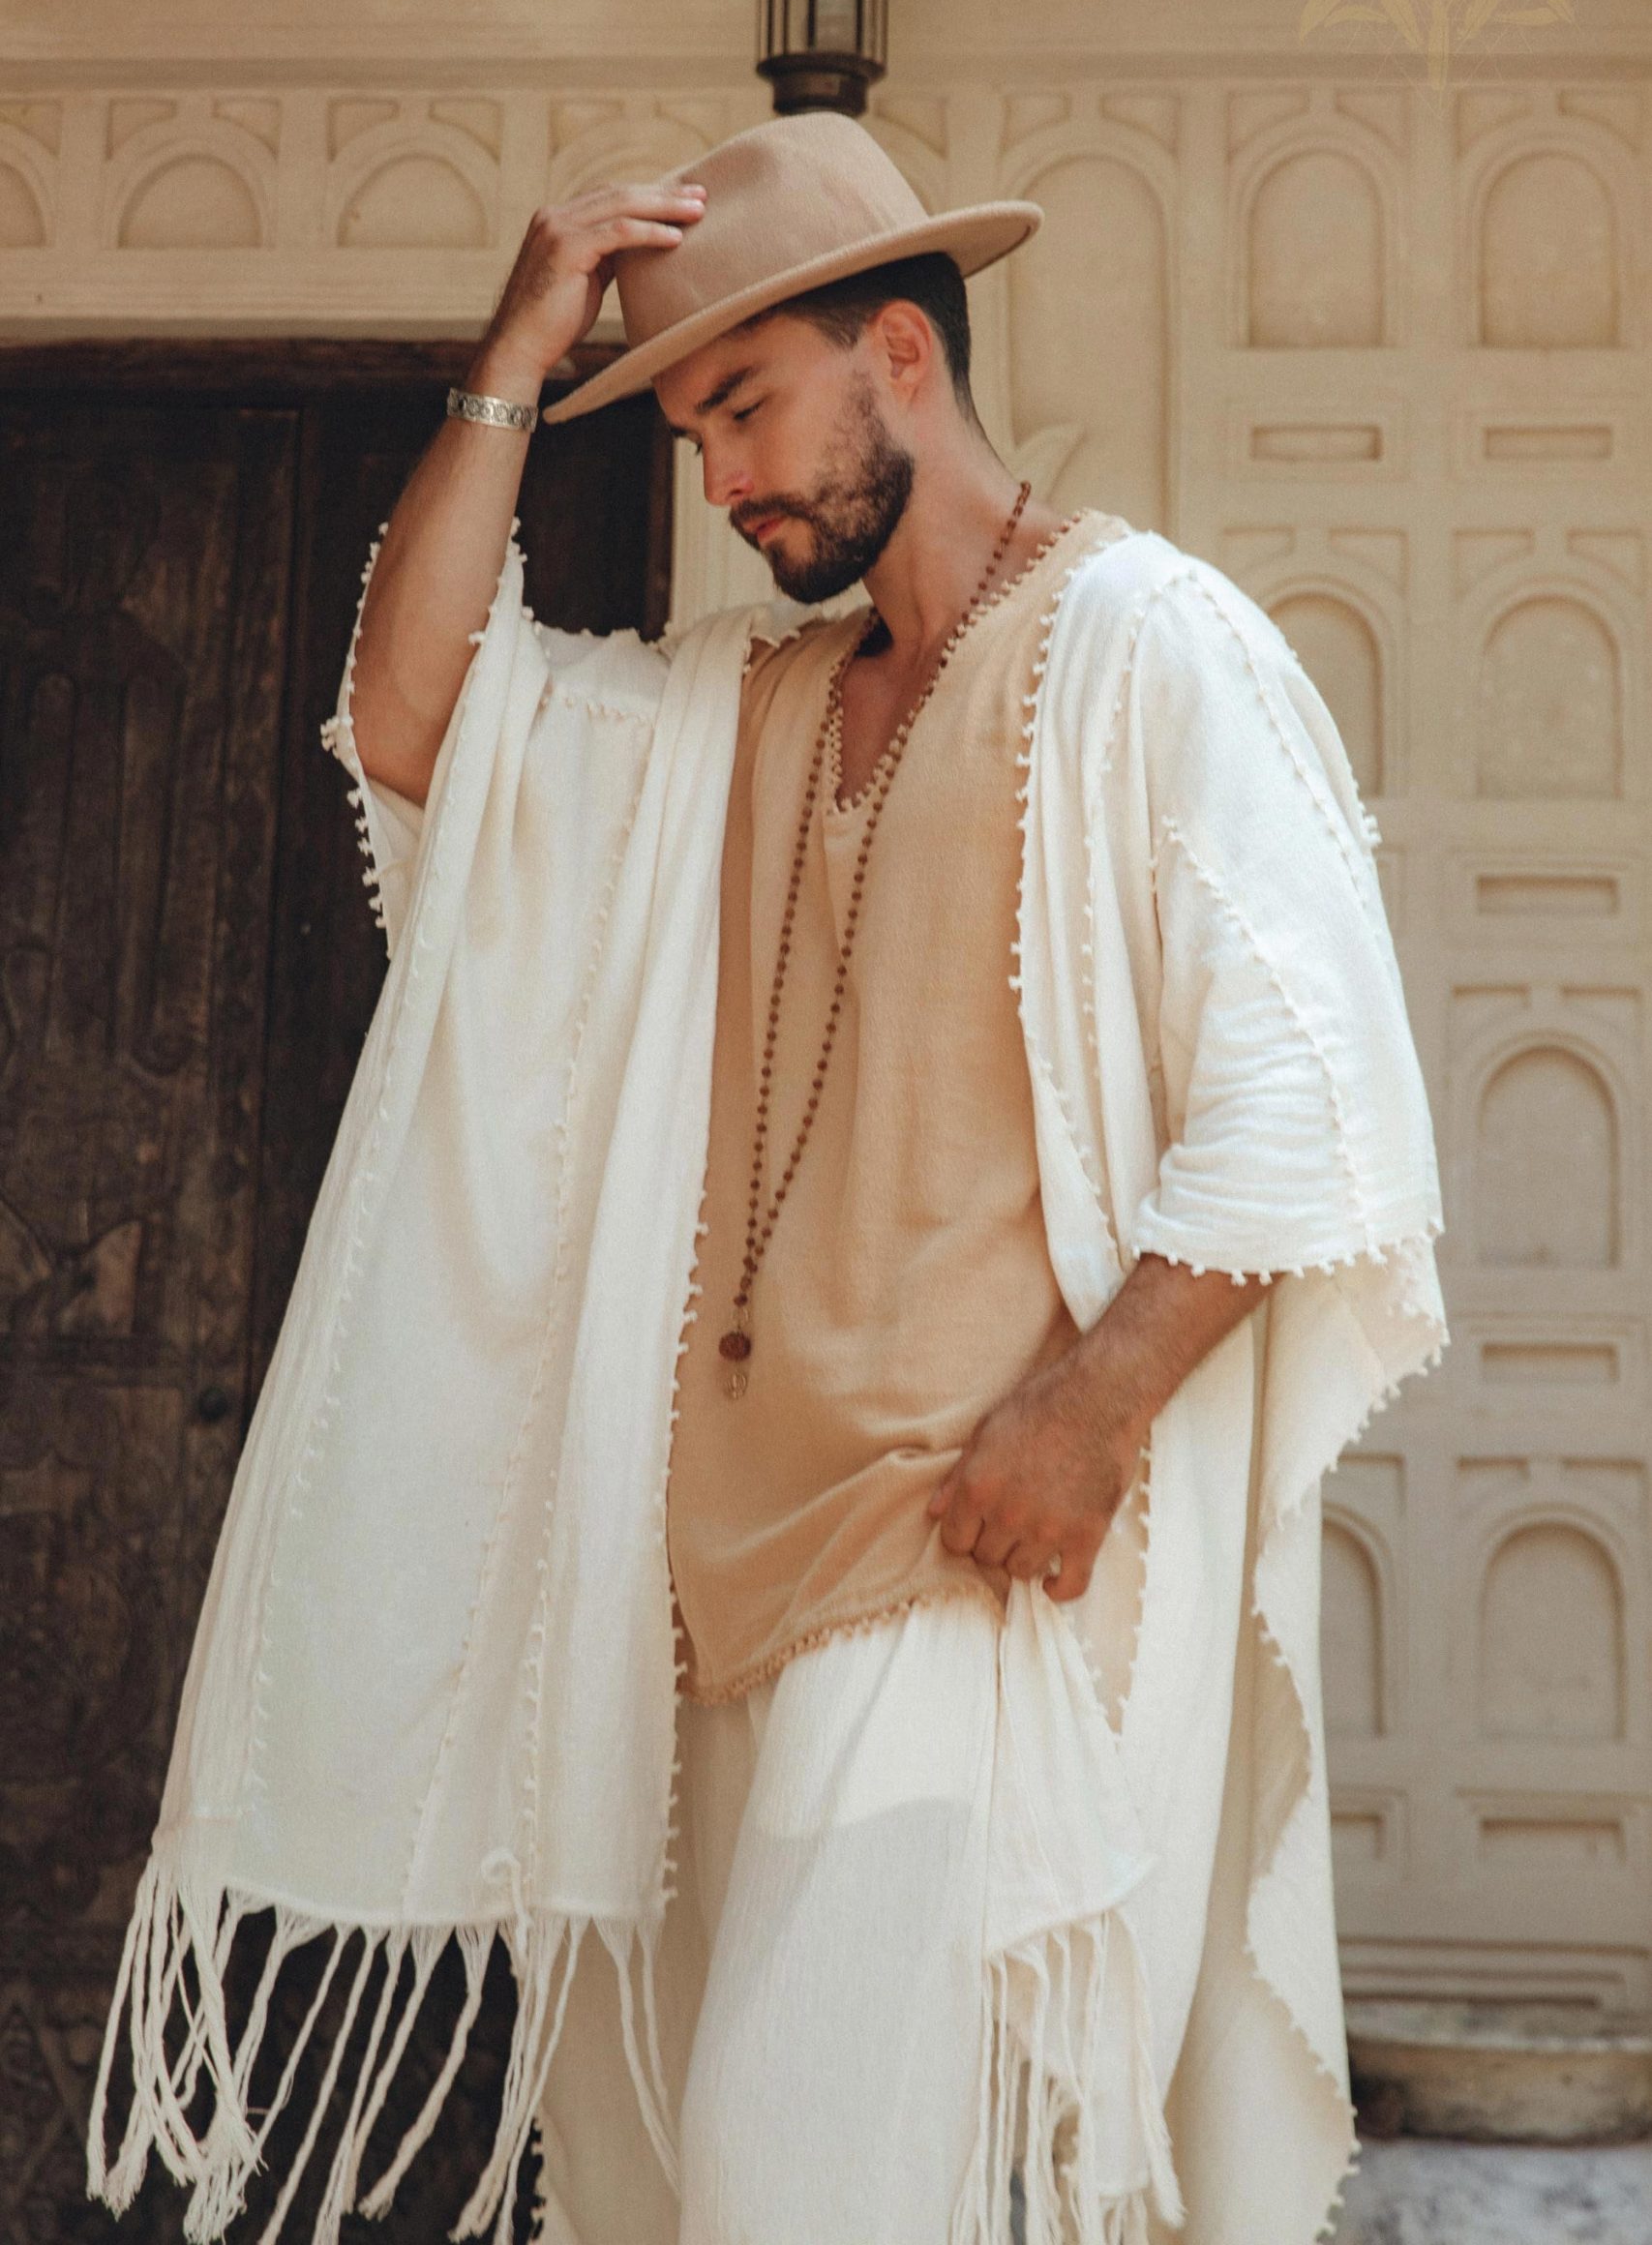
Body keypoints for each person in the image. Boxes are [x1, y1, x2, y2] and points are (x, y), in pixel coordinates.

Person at [86, 114, 1447, 2245]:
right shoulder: (743, 706)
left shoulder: (1145, 644)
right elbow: (423, 723)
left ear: (898, 351)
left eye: (742, 407)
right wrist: (509, 358)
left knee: (790, 2176)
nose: (719, 479)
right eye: (690, 433)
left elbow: (1315, 1087)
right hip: (704, 1596)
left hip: (963, 1567)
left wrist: (1085, 1414)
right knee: (714, 2194)